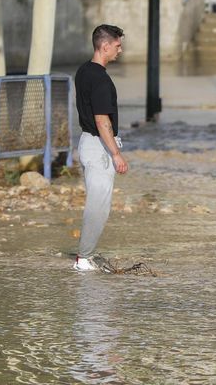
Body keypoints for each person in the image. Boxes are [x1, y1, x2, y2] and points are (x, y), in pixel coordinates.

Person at [73, 25, 129, 271]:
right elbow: (101, 119)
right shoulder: (101, 79)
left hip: (88, 141)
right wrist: (116, 154)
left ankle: (86, 255)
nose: (120, 50)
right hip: (98, 146)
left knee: (99, 202)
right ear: (104, 46)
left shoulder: (84, 71)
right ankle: (83, 258)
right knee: (99, 204)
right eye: (117, 45)